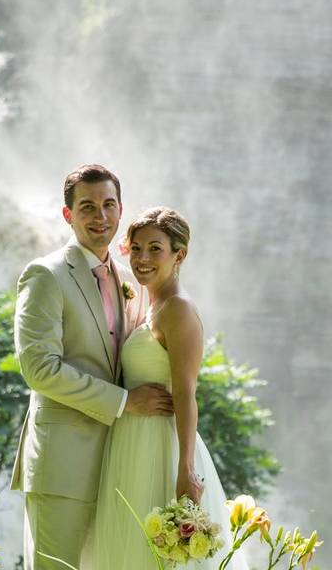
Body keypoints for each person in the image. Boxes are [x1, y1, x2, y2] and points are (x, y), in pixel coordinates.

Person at [10, 165, 175, 570]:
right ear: (68, 215)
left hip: (119, 464)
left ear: (121, 212)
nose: (100, 217)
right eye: (87, 207)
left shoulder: (129, 278)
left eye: (108, 205)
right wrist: (123, 403)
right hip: (61, 465)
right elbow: (39, 369)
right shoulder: (45, 276)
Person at [91, 207, 248, 570]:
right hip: (129, 441)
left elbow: (185, 393)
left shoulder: (178, 310)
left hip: (160, 448)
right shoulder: (151, 303)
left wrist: (185, 469)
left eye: (155, 249)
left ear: (180, 254)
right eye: (136, 248)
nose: (143, 258)